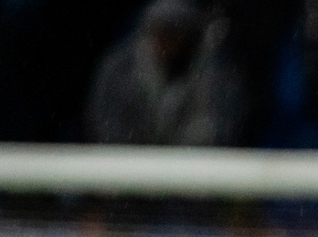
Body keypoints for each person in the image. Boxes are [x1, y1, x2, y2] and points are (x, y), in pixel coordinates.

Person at [85, 0, 248, 148]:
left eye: (176, 32)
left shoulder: (214, 71)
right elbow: (108, 127)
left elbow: (218, 126)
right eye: (163, 33)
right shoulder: (120, 68)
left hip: (191, 167)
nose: (169, 41)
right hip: (132, 164)